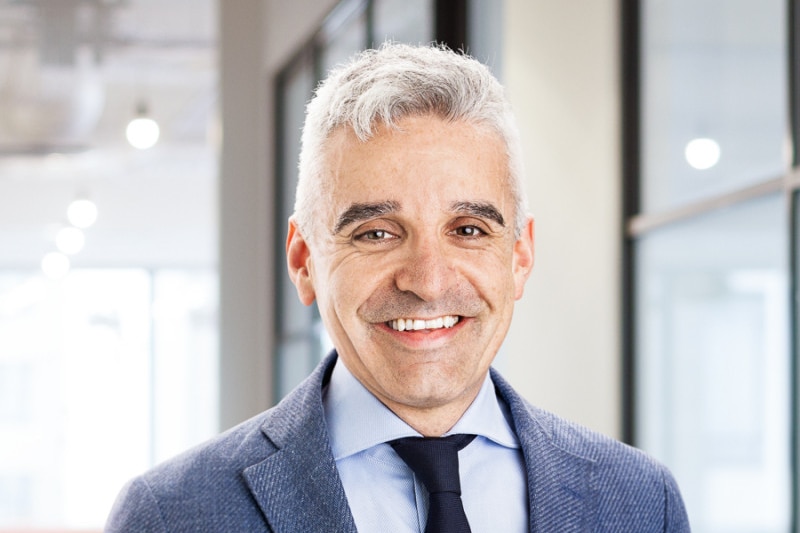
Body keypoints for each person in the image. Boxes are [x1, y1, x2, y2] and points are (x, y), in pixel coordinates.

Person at [106, 43, 690, 532]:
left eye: (468, 229)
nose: (428, 280)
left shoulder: (640, 502)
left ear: (520, 255)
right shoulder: (173, 515)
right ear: (305, 260)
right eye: (378, 232)